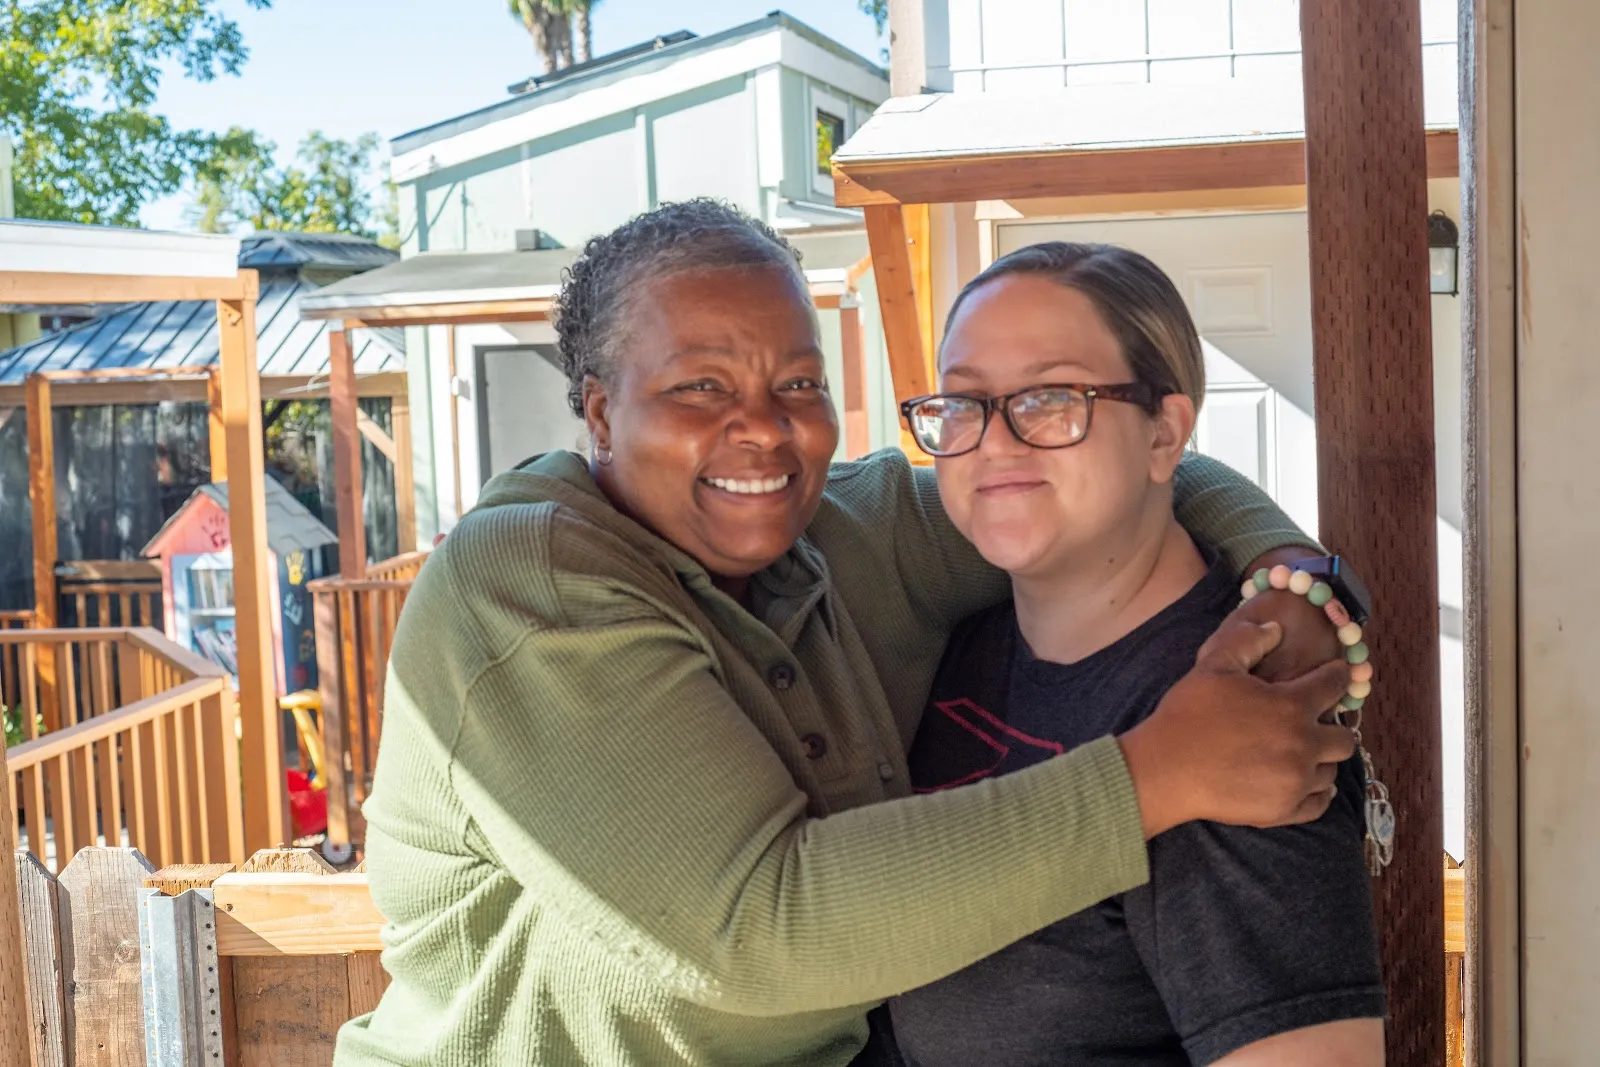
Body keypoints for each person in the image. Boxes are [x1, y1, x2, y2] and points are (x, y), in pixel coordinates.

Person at [333, 200, 1357, 1067]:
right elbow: (753, 928)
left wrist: (1288, 584)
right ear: (600, 414)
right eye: (700, 386)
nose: (765, 428)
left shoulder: (841, 531)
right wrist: (1155, 774)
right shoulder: (531, 582)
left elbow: (1095, 478)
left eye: (798, 382)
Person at [887, 243, 1384, 1066]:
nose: (995, 443)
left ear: (1167, 432)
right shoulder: (951, 648)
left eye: (1051, 397)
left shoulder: (1238, 724)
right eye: (967, 402)